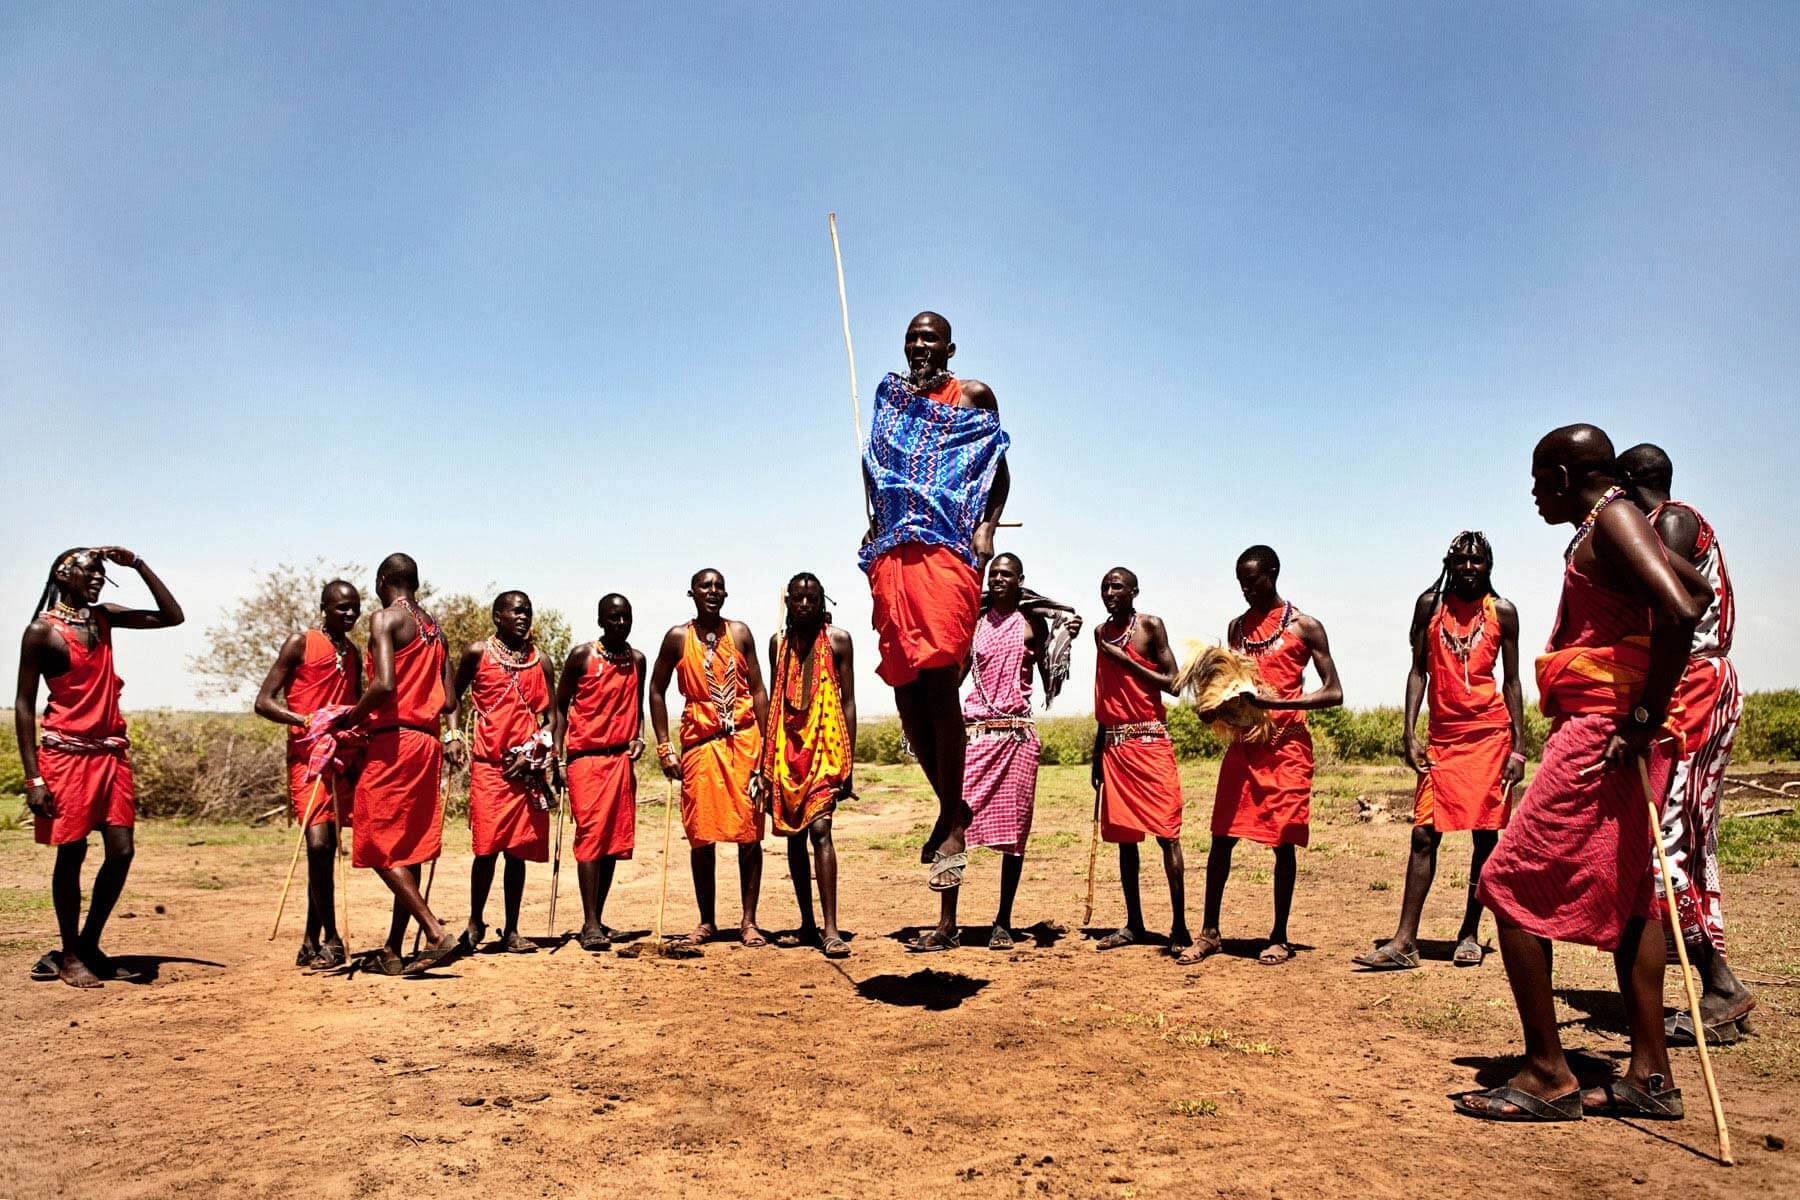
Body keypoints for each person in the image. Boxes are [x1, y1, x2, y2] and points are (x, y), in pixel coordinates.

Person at [1457, 424, 1708, 1123]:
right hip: (1617, 731)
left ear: (1565, 475)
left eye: (1540, 479)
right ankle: (1649, 1078)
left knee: (1506, 885)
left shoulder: (1616, 518)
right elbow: (1695, 587)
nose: (1534, 493)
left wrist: (1642, 715)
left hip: (1606, 734)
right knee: (1633, 902)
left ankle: (1547, 1075)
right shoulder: (1611, 526)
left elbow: (1683, 609)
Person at [859, 311, 1011, 892]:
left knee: (940, 678)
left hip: (947, 550)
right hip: (891, 553)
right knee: (904, 688)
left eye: (930, 338)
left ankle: (952, 823)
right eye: (912, 338)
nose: (919, 346)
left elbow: (998, 470)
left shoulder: (972, 394)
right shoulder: (890, 399)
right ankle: (952, 808)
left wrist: (987, 530)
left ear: (949, 346)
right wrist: (874, 515)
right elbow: (875, 465)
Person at [1618, 442, 1754, 1042]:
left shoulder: (1671, 522)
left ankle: (1719, 987)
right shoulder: (1670, 521)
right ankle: (1712, 986)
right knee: (1679, 836)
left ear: (1626, 481)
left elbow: (1671, 611)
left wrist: (1645, 707)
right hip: (1688, 681)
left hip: (1692, 682)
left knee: (1670, 834)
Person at [1355, 533, 1524, 971]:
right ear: (1450, 561)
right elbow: (1418, 672)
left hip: (1489, 736)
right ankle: (1405, 940)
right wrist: (1409, 732)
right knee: (1424, 833)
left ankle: (1469, 933)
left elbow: (1511, 682)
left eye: (1479, 561)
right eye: (1462, 560)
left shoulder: (1502, 612)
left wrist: (1519, 748)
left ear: (1489, 565)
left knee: (1485, 835)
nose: (1470, 567)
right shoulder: (1430, 606)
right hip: (1443, 738)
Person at [16, 547, 182, 988]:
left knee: (122, 850)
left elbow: (172, 616)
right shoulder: (41, 632)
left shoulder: (103, 618)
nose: (98, 580)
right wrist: (34, 777)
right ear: (62, 574)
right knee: (72, 852)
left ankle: (88, 943)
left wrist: (140, 564)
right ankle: (70, 953)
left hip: (109, 753)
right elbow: (23, 704)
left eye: (103, 574)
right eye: (91, 572)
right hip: (65, 756)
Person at [918, 554, 1075, 953]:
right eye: (994, 575)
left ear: (1021, 580)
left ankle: (1003, 921)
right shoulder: (975, 624)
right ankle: (947, 924)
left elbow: (1049, 675)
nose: (999, 579)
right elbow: (957, 676)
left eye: (1007, 574)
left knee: (1014, 836)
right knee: (955, 823)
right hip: (976, 735)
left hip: (1017, 737)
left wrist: (1063, 640)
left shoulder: (1032, 624)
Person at [1197, 546, 1343, 967]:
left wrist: (1273, 705)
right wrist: (1219, 707)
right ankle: (1209, 932)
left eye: (1253, 580)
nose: (1245, 589)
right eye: (1240, 581)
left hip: (1288, 748)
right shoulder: (1237, 629)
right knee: (1221, 836)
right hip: (1244, 746)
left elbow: (1334, 692)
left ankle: (1279, 935)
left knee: (1283, 842)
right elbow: (1231, 684)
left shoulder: (1306, 627)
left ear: (1273, 574)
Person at [328, 553, 461, 975]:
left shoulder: (386, 620)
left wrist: (347, 717)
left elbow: (384, 684)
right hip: (427, 742)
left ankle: (435, 932)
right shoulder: (434, 630)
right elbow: (452, 700)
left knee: (375, 837)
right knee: (410, 845)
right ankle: (392, 949)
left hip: (394, 742)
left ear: (382, 581)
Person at [648, 569, 770, 946]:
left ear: (726, 594)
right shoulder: (677, 638)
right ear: (692, 593)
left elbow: (759, 690)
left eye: (719, 587)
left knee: (749, 832)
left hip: (744, 742)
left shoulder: (741, 634)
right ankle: (706, 921)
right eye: (705, 586)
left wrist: (767, 748)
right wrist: (664, 747)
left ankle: (749, 921)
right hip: (700, 745)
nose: (713, 592)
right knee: (701, 834)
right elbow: (656, 690)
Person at [254, 579, 364, 970]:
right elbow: (263, 702)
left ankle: (309, 940)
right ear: (323, 607)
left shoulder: (353, 652)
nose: (349, 614)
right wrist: (306, 720)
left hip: (341, 760)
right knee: (318, 845)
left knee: (326, 851)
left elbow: (356, 704)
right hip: (307, 759)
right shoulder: (299, 642)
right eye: (341, 608)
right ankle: (332, 937)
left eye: (355, 608)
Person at [1088, 568, 1192, 962]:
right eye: (1104, 587)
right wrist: (1099, 751)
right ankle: (1134, 922)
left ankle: (1179, 925)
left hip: (1151, 742)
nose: (1109, 592)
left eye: (1117, 586)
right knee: (1125, 840)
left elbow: (1175, 682)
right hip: (1114, 746)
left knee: (1168, 834)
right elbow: (1105, 695)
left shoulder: (1150, 626)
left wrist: (1123, 658)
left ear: (1134, 591)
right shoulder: (1099, 633)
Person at [452, 591, 560, 954]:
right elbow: (451, 697)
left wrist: (538, 753)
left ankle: (512, 929)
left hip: (527, 771)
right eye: (516, 611)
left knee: (517, 852)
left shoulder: (540, 662)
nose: (523, 616)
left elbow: (553, 718)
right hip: (490, 768)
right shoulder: (477, 654)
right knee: (486, 850)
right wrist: (453, 734)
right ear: (497, 616)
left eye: (527, 611)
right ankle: (474, 921)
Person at [762, 573, 856, 959]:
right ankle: (806, 923)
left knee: (821, 830)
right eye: (797, 598)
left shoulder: (838, 641)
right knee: (794, 836)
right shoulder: (777, 644)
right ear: (787, 603)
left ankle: (831, 928)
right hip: (787, 747)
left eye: (812, 598)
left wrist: (848, 762)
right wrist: (766, 759)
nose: (804, 604)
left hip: (825, 744)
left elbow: (848, 700)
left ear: (822, 602)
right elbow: (773, 701)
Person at [554, 594, 646, 952]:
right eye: (613, 618)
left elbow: (637, 709)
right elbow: (560, 705)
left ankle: (597, 918)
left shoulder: (637, 660)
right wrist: (558, 758)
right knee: (591, 836)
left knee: (612, 841)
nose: (620, 624)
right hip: (585, 760)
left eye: (626, 617)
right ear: (600, 620)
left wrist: (637, 737)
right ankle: (589, 922)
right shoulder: (582, 656)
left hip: (620, 760)